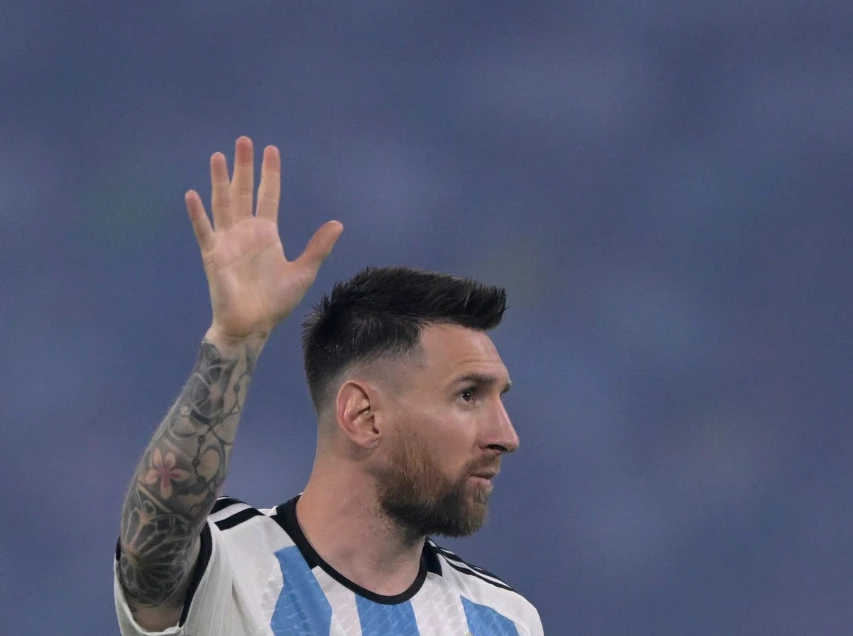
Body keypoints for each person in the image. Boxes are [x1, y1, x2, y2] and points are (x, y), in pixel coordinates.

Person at [113, 137, 544, 636]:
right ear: (363, 415)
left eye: (499, 398)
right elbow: (151, 548)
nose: (506, 436)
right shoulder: (226, 567)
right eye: (468, 395)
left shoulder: (505, 620)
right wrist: (233, 343)